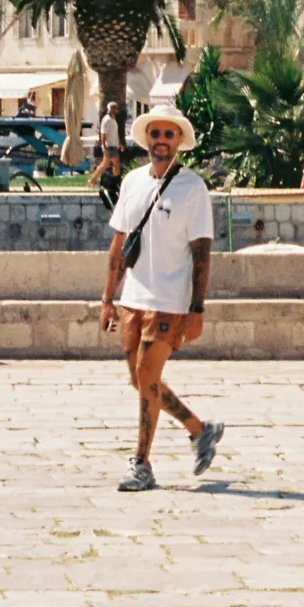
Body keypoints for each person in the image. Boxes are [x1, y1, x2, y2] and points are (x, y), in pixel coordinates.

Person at [101, 103, 223, 492]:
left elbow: (202, 253)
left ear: (179, 141)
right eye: (155, 134)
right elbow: (118, 244)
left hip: (170, 299)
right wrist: (107, 298)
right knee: (139, 379)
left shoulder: (193, 187)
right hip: (134, 296)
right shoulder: (133, 182)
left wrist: (196, 308)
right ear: (146, 139)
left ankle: (141, 462)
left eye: (169, 135)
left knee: (148, 374)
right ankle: (200, 430)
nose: (161, 141)